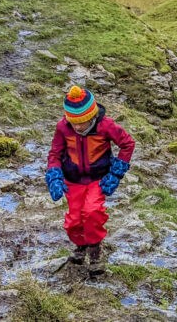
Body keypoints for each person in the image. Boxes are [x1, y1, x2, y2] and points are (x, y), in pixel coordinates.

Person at [45, 85, 135, 275]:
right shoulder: (63, 127)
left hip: (98, 179)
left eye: (82, 122)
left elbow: (127, 144)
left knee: (93, 212)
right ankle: (81, 246)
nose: (77, 127)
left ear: (92, 116)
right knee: (74, 221)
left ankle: (95, 250)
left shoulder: (106, 126)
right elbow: (55, 153)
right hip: (73, 180)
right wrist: (54, 175)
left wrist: (116, 173)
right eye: (73, 122)